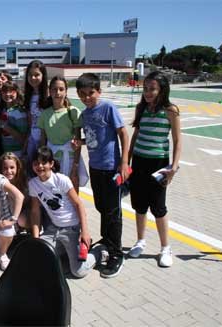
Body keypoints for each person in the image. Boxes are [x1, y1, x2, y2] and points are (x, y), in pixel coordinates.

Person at [75, 73, 130, 278]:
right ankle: (107, 240)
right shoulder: (85, 114)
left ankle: (117, 253)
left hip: (111, 167)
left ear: (99, 91)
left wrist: (124, 162)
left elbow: (123, 133)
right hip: (96, 167)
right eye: (83, 94)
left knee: (113, 212)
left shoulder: (107, 108)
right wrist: (79, 143)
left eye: (91, 93)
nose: (87, 97)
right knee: (101, 207)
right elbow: (91, 137)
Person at [127, 71, 182, 267]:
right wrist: (127, 161)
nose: (148, 93)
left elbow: (177, 140)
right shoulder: (141, 108)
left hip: (159, 164)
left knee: (158, 207)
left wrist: (173, 168)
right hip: (139, 163)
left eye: (152, 89)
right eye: (145, 89)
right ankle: (140, 241)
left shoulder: (170, 110)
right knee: (139, 205)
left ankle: (165, 248)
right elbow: (135, 137)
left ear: (162, 90)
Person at [29, 146, 106, 278]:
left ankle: (98, 251)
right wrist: (36, 238)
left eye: (44, 162)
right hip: (53, 229)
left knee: (78, 271)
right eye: (36, 163)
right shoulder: (33, 184)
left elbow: (79, 204)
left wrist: (85, 231)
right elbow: (35, 211)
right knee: (38, 257)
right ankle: (65, 249)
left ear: (51, 164)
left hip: (71, 228)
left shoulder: (61, 180)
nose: (40, 166)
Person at [38, 76, 86, 192]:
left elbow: (77, 141)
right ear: (50, 91)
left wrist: (75, 166)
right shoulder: (45, 114)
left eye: (61, 89)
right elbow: (43, 140)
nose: (57, 92)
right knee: (54, 194)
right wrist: (43, 161)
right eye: (54, 89)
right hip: (52, 161)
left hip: (69, 159)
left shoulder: (73, 112)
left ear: (66, 91)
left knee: (72, 193)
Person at [24, 60, 49, 172]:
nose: (33, 78)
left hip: (46, 140)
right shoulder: (28, 96)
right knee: (31, 169)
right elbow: (30, 121)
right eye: (30, 75)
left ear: (43, 75)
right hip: (32, 139)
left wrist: (43, 142)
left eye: (37, 75)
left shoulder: (49, 95)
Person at [0, 152, 29, 229]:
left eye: (12, 167)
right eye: (5, 168)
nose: (8, 171)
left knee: (22, 220)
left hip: (23, 212)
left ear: (17, 168)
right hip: (6, 214)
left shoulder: (24, 181)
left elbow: (28, 202)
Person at [0, 81, 28, 159]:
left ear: (17, 92)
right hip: (6, 152)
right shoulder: (4, 110)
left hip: (18, 154)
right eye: (5, 91)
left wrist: (7, 128)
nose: (7, 94)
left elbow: (23, 139)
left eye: (11, 91)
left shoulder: (20, 112)